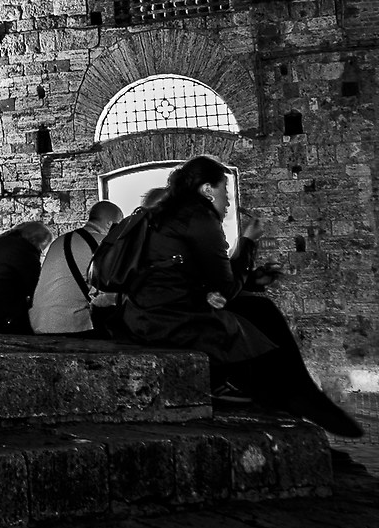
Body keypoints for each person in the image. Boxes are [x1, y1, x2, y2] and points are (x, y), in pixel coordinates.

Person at [122, 155, 361, 438]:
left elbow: (203, 279)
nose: (228, 199)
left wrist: (249, 278)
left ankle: (294, 396)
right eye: (224, 189)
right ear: (206, 189)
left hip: (146, 314)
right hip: (169, 319)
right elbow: (224, 287)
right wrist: (248, 241)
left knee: (256, 308)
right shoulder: (198, 218)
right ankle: (294, 396)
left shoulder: (167, 216)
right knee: (261, 313)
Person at [30, 201, 124, 336]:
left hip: (39, 323)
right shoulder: (103, 243)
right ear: (110, 224)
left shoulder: (59, 240)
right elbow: (109, 292)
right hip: (70, 327)